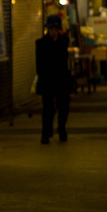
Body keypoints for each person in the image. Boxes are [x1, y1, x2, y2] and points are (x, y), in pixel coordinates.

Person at [35, 13, 73, 143]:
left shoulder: (64, 41)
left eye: (55, 28)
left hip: (62, 79)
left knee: (63, 107)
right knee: (48, 108)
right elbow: (39, 64)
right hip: (47, 80)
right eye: (51, 29)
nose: (53, 31)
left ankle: (61, 128)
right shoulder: (41, 43)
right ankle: (46, 133)